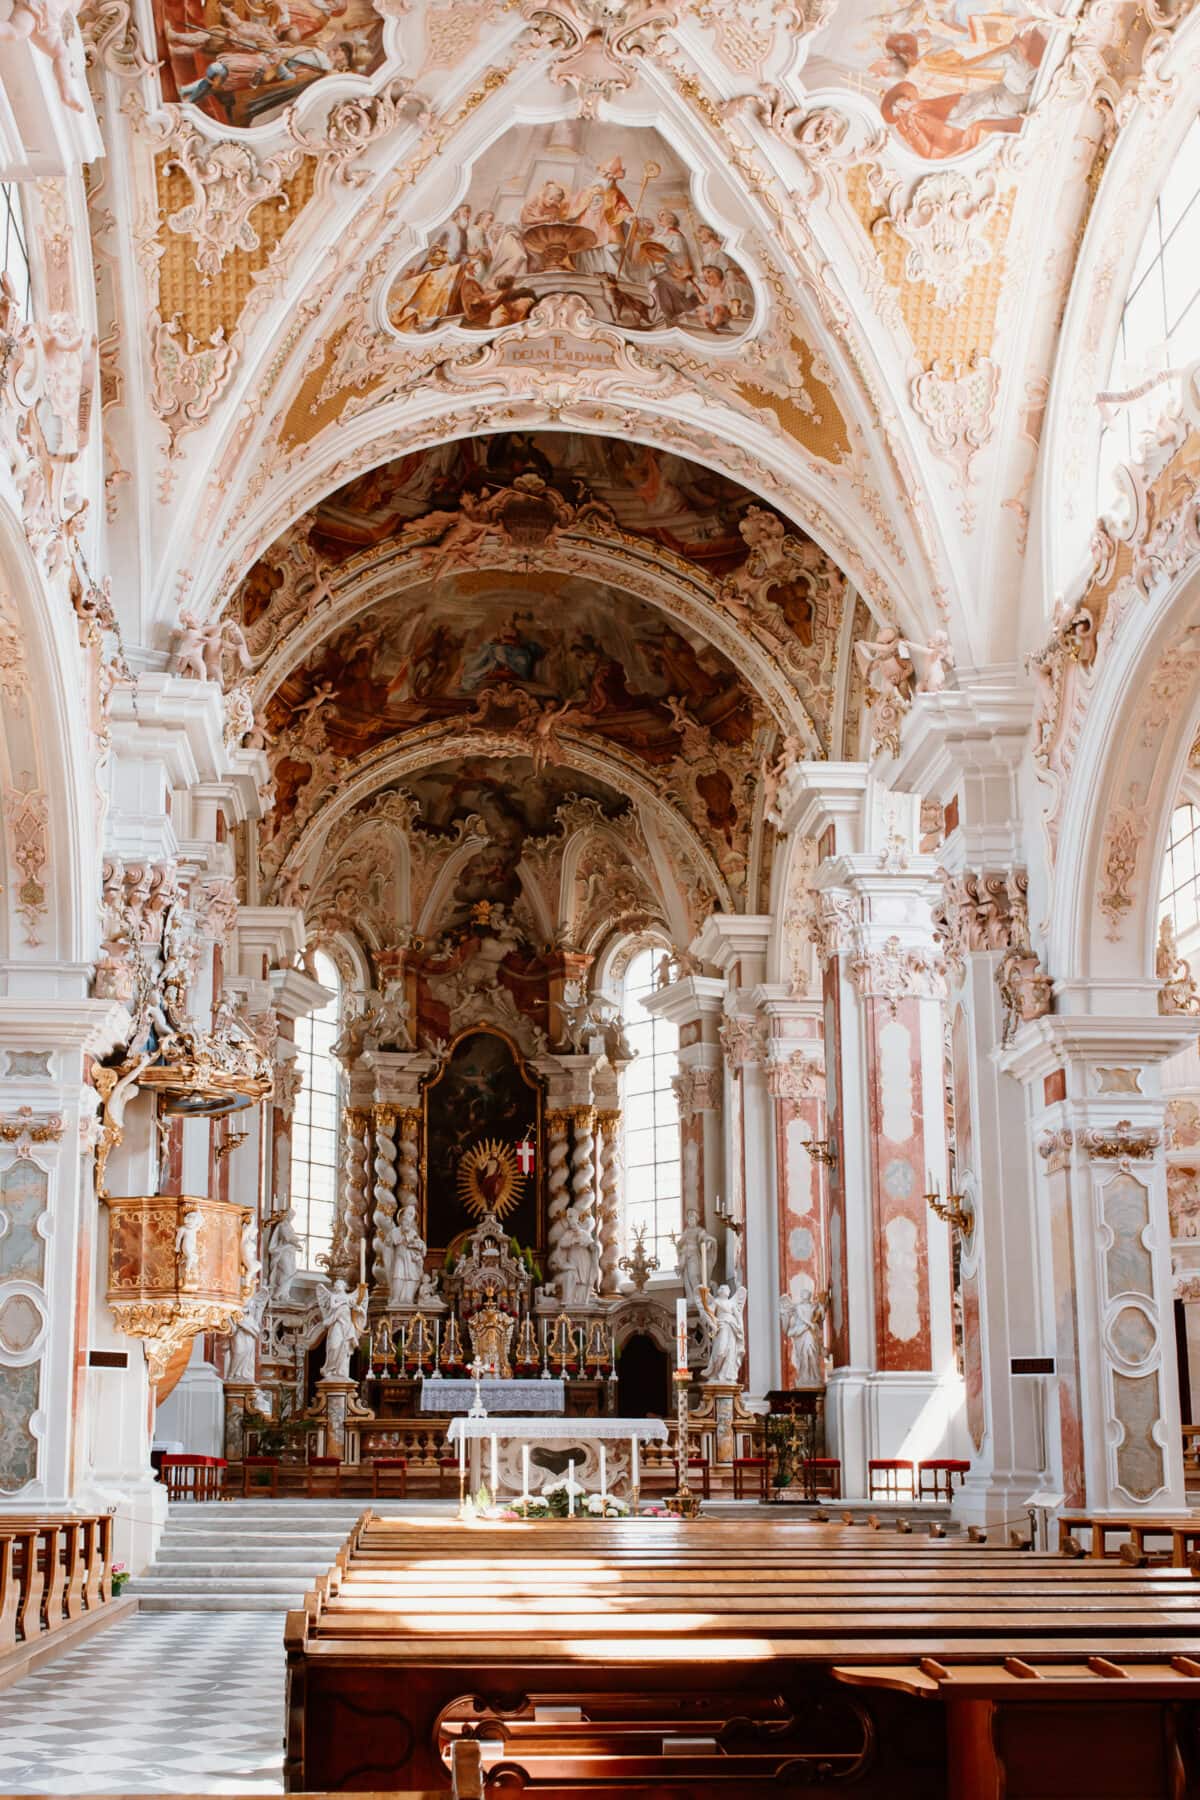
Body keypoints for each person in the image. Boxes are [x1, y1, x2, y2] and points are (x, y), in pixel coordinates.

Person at [317, 1278, 368, 1381]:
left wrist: (358, 1309)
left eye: (339, 1284)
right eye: (336, 1284)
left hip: (347, 1324)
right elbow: (333, 1306)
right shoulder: (333, 1296)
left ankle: (341, 1372)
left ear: (344, 1286)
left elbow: (358, 1309)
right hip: (337, 1324)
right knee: (334, 1345)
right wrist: (344, 1304)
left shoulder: (350, 1297)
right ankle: (330, 1369)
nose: (336, 1286)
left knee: (345, 1348)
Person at [699, 1282, 747, 1385]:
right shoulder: (716, 1301)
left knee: (730, 1351)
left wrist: (740, 1328)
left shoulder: (732, 1303)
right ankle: (715, 1374)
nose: (723, 1289)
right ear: (719, 1291)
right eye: (721, 1288)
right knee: (721, 1350)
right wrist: (712, 1322)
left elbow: (738, 1316)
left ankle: (726, 1375)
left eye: (725, 1288)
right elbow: (709, 1313)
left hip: (732, 1327)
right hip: (722, 1326)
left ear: (729, 1292)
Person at [780, 1287, 826, 1387]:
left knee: (812, 1353)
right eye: (804, 1293)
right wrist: (810, 1324)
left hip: (811, 1333)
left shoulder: (813, 1306)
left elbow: (821, 1316)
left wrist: (821, 1306)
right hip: (802, 1332)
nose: (806, 1294)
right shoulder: (798, 1307)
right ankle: (804, 1376)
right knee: (803, 1354)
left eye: (807, 1293)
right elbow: (802, 1317)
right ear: (802, 1296)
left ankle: (815, 1376)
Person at [671, 1207, 717, 1305]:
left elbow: (706, 1237)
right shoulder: (687, 1231)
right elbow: (681, 1242)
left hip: (694, 1255)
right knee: (687, 1277)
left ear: (696, 1219)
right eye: (689, 1218)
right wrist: (679, 1246)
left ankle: (699, 1296)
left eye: (692, 1218)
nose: (690, 1220)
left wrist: (708, 1242)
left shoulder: (699, 1230)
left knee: (693, 1275)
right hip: (685, 1256)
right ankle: (691, 1296)